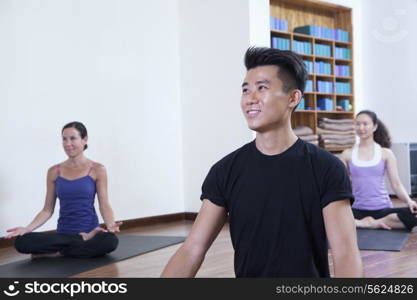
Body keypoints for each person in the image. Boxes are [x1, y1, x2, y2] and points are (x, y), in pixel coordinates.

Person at [161, 47, 363, 277]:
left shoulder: (327, 168)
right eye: (246, 90)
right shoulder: (225, 171)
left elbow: (345, 252)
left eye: (262, 88)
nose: (250, 99)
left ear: (293, 97)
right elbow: (192, 249)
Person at [5, 121, 122, 258]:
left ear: (84, 139)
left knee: (110, 242)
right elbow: (47, 210)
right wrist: (27, 228)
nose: (68, 144)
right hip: (63, 233)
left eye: (73, 138)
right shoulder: (54, 171)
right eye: (64, 139)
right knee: (21, 241)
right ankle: (77, 242)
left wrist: (111, 225)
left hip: (91, 231)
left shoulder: (97, 169)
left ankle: (61, 249)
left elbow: (104, 204)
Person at [340, 110, 417, 231]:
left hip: (383, 210)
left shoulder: (386, 153)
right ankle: (362, 223)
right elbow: (341, 186)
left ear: (375, 126)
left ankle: (372, 223)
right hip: (356, 209)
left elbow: (396, 184)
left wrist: (409, 201)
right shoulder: (347, 154)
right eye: (357, 124)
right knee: (322, 215)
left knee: (415, 214)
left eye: (365, 124)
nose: (361, 128)